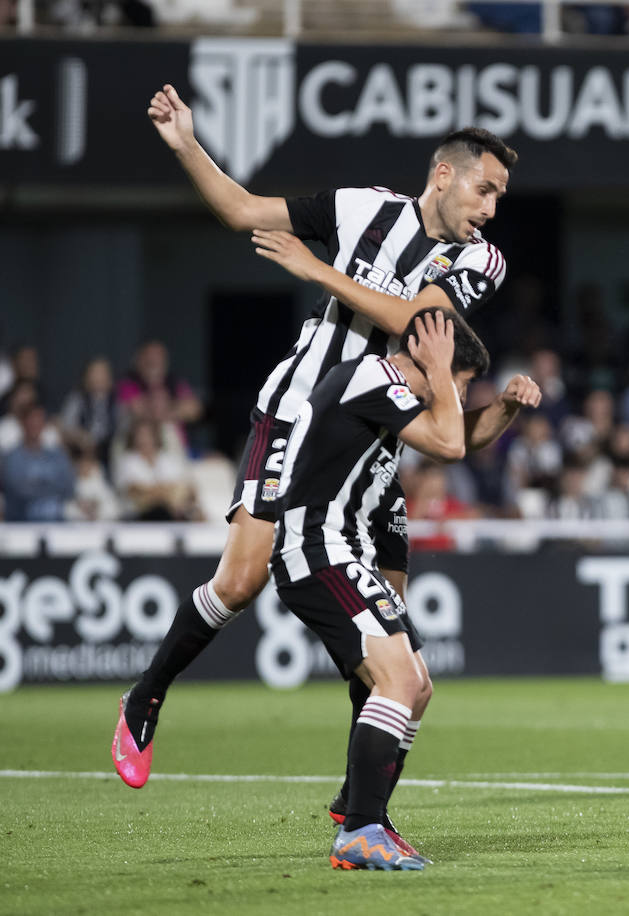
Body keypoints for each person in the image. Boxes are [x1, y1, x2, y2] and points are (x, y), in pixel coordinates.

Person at [112, 83, 517, 793]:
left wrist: (315, 270)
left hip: (378, 439)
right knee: (239, 582)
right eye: (484, 191)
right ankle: (145, 693)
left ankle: (358, 806)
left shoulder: (483, 260)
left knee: (386, 621)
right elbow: (242, 210)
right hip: (297, 411)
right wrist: (186, 146)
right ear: (444, 174)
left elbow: (418, 324)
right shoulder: (362, 208)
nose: (489, 210)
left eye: (499, 200)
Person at [269, 307, 535, 869]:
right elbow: (450, 444)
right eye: (463, 382)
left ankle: (365, 811)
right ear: (426, 355)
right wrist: (441, 371)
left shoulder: (392, 395)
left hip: (346, 551)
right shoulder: (368, 376)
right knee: (397, 678)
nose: (458, 395)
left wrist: (505, 406)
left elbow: (454, 433)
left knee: (416, 685)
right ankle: (359, 828)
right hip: (314, 548)